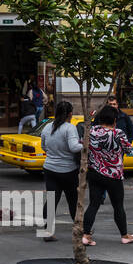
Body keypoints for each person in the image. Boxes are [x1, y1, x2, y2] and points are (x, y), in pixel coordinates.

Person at [82, 106, 133, 245]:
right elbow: (129, 150)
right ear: (114, 120)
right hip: (113, 175)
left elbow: (82, 145)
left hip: (95, 172)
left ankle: (86, 235)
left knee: (93, 204)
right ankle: (124, 235)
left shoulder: (91, 131)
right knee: (118, 206)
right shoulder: (118, 133)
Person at [40, 101, 83, 242]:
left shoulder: (47, 127)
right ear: (70, 114)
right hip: (68, 170)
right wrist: (83, 143)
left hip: (50, 168)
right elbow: (74, 147)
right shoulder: (70, 128)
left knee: (52, 200)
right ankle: (79, 231)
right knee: (73, 201)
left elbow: (44, 146)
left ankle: (47, 231)